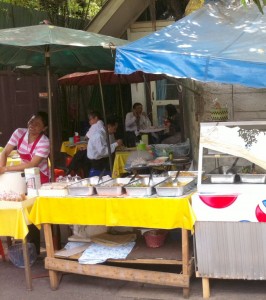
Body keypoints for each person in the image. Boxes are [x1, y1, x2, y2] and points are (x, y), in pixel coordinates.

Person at [0, 111, 50, 254]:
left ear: (44, 128)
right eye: (31, 121)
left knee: (33, 213)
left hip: (40, 179)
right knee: (20, 209)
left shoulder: (44, 142)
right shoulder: (19, 133)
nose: (32, 125)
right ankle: (21, 244)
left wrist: (6, 168)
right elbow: (5, 152)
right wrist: (1, 171)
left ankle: (33, 249)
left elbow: (32, 164)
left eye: (37, 124)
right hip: (23, 178)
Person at [86, 112, 123, 177]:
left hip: (104, 160)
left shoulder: (107, 134)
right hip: (98, 163)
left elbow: (111, 144)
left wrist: (116, 144)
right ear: (108, 126)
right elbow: (103, 152)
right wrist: (116, 144)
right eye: (114, 128)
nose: (115, 131)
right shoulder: (99, 136)